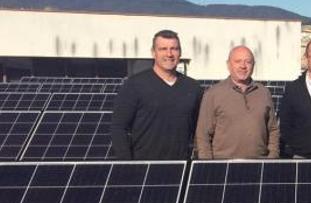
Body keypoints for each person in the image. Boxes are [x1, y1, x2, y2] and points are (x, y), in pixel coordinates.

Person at [111, 29, 203, 159]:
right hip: (143, 167)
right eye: (163, 49)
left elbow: (199, 131)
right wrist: (127, 165)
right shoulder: (134, 85)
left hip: (181, 168)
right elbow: (119, 128)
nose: (169, 54)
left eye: (174, 49)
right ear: (153, 53)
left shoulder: (193, 88)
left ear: (180, 53)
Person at [195, 46, 280, 159]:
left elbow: (273, 129)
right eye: (238, 61)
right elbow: (203, 134)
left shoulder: (264, 93)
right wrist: (207, 165)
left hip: (259, 164)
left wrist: (272, 156)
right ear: (228, 65)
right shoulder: (213, 94)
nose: (243, 66)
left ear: (253, 65)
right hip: (223, 165)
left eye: (248, 62)